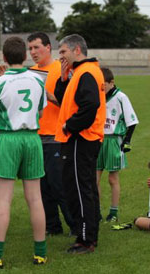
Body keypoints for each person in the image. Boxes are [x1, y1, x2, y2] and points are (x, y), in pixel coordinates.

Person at [0, 36, 47, 269]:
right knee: (35, 198)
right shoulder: (38, 80)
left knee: (3, 200)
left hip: (8, 139)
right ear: (25, 55)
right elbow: (41, 112)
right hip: (33, 139)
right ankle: (40, 253)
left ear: (4, 58)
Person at [54, 34, 106, 254]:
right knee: (85, 188)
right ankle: (88, 234)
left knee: (79, 189)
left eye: (63, 52)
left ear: (77, 50)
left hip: (81, 139)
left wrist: (69, 126)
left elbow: (89, 106)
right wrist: (64, 77)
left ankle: (85, 239)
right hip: (82, 138)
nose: (61, 57)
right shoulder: (80, 72)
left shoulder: (86, 72)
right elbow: (63, 97)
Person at [27, 32, 75, 235]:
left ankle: (75, 225)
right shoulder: (29, 72)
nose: (33, 52)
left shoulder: (61, 69)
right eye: (30, 48)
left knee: (59, 184)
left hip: (56, 136)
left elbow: (71, 103)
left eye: (37, 47)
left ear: (48, 47)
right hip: (35, 136)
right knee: (41, 186)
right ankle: (52, 226)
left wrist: (49, 97)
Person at [96, 67, 138, 222]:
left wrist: (127, 141)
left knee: (112, 179)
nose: (101, 88)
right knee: (94, 179)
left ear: (111, 82)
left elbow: (132, 121)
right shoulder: (98, 96)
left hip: (114, 140)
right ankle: (97, 211)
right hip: (97, 139)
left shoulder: (121, 97)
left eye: (103, 84)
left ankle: (113, 212)